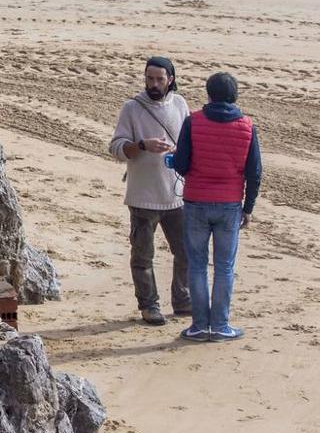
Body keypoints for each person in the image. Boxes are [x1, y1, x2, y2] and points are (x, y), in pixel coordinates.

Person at [172, 72, 262, 342]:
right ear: (235, 95)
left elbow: (181, 163)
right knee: (224, 266)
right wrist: (248, 207)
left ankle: (200, 325)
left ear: (209, 94)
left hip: (197, 201)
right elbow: (255, 172)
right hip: (229, 204)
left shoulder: (193, 121)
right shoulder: (247, 126)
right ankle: (221, 325)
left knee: (197, 265)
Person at [109, 57, 191, 325]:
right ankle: (149, 306)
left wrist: (182, 152)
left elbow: (190, 143)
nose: (153, 84)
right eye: (149, 78)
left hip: (176, 196)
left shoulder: (180, 104)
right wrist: (142, 145)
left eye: (159, 79)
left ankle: (183, 300)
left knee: (186, 252)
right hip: (143, 197)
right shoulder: (132, 108)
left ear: (171, 79)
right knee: (143, 256)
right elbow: (116, 148)